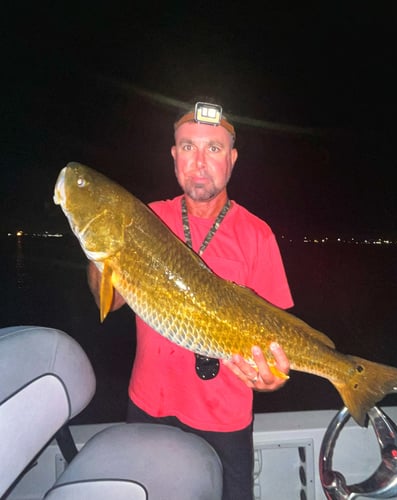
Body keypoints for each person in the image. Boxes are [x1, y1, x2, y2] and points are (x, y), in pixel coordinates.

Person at [87, 101, 294, 500]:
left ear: (232, 159)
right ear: (174, 156)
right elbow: (107, 303)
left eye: (213, 149)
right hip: (148, 408)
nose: (199, 162)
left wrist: (275, 379)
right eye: (187, 147)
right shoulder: (144, 220)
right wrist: (100, 246)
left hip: (225, 421)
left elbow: (279, 339)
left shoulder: (257, 235)